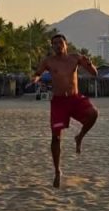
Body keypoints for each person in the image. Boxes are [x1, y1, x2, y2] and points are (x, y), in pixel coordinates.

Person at [34, 34, 99, 188]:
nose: (58, 45)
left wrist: (90, 64)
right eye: (54, 43)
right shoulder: (48, 61)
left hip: (74, 99)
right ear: (52, 46)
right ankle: (57, 171)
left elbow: (94, 73)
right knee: (56, 138)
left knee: (93, 114)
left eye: (60, 43)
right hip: (59, 102)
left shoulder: (75, 58)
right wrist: (35, 79)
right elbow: (38, 73)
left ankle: (79, 137)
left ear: (66, 44)